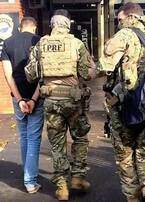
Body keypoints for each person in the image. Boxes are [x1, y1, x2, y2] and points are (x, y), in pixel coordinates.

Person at [25, 9, 96, 201]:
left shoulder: (41, 44)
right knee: (79, 138)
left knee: (58, 145)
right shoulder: (77, 44)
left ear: (52, 24)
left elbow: (30, 75)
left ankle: (62, 187)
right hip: (74, 102)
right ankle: (78, 178)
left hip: (51, 102)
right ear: (68, 24)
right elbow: (86, 74)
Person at [98, 3, 145, 202]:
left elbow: (105, 66)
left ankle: (133, 198)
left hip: (125, 108)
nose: (118, 24)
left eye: (119, 19)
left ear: (130, 17)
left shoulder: (124, 35)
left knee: (125, 156)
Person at [0, 17, 44, 194]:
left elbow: (8, 75)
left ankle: (29, 173)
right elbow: (44, 75)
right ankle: (30, 181)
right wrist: (33, 99)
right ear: (35, 27)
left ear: (20, 27)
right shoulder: (40, 41)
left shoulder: (8, 43)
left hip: (17, 97)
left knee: (24, 136)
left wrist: (19, 99)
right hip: (36, 98)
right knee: (33, 138)